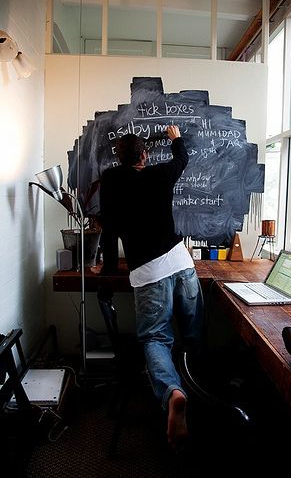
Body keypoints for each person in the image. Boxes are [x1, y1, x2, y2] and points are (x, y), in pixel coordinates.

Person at [99, 125, 204, 447]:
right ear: (144, 155)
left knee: (156, 338)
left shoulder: (110, 181)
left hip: (147, 272)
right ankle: (202, 395)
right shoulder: (160, 174)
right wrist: (175, 138)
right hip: (181, 263)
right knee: (193, 333)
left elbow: (110, 229)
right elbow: (182, 159)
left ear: (119, 157)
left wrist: (110, 271)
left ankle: (173, 392)